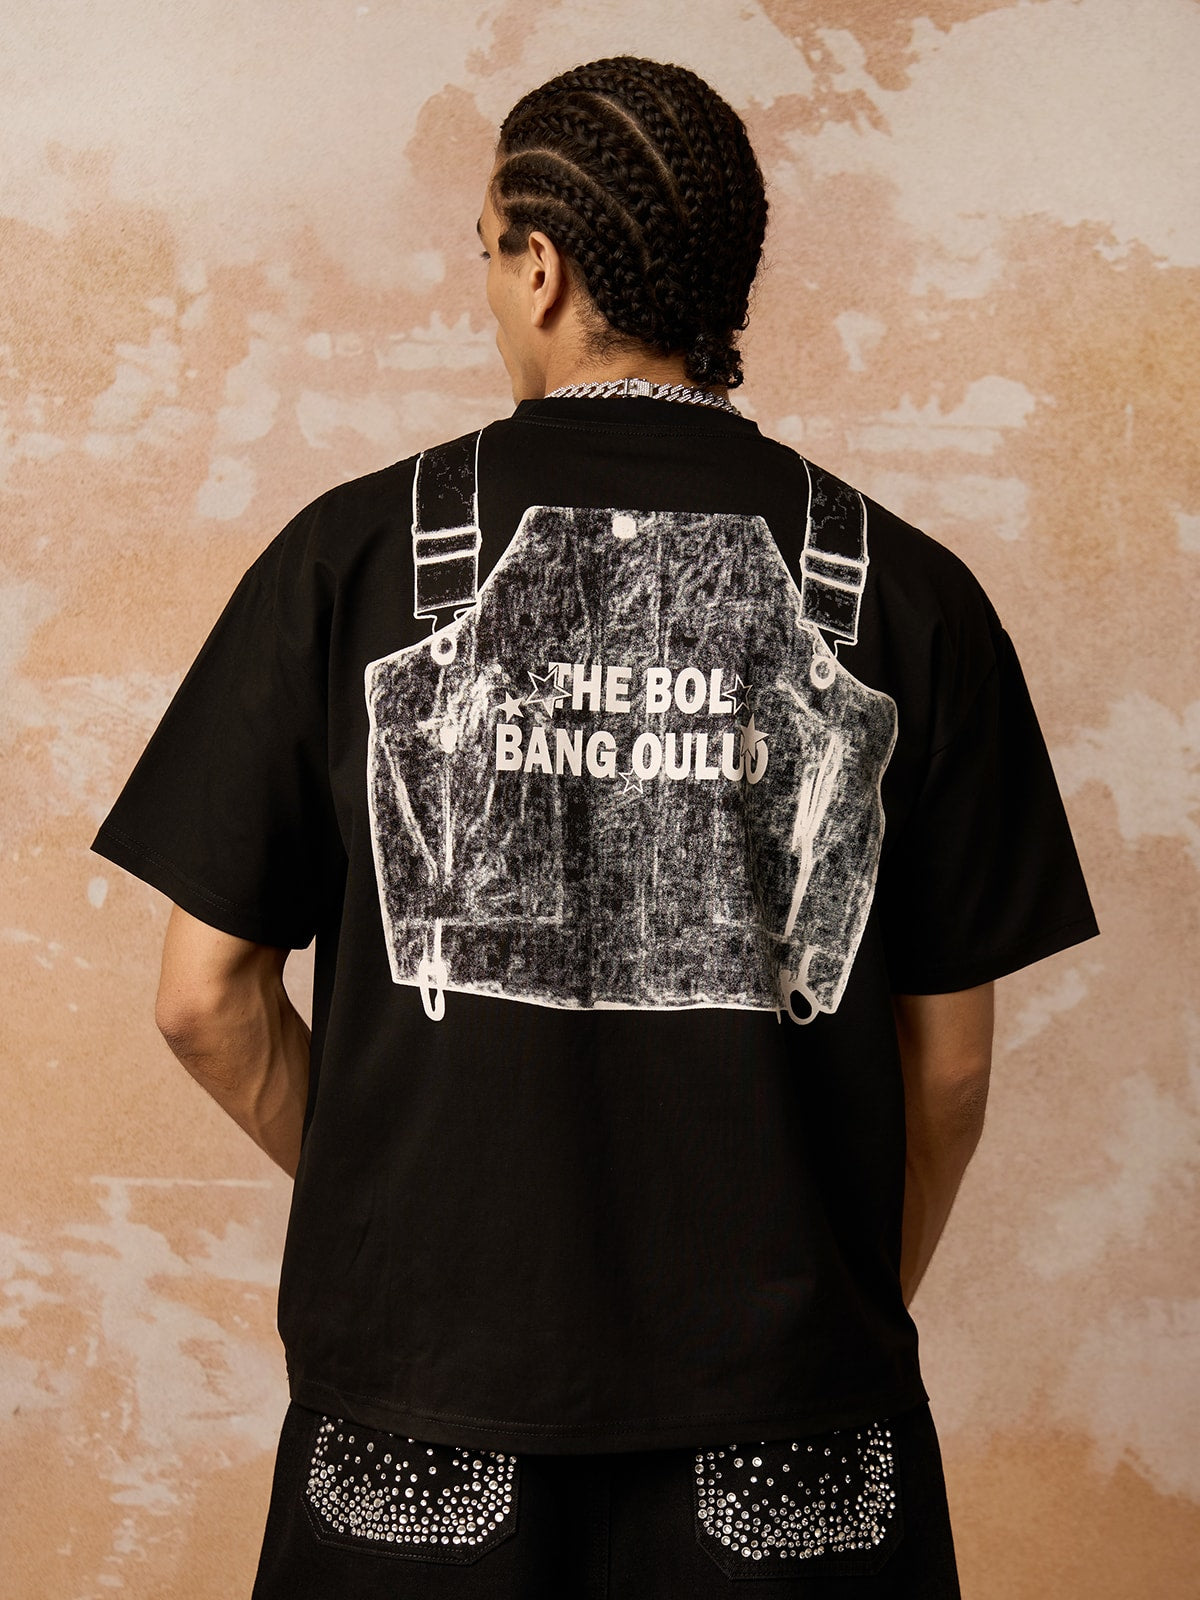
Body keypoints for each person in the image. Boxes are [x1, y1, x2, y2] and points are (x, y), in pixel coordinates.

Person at [91, 55, 1099, 1599]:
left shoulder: (353, 563)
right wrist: (829, 1302)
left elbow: (203, 1000)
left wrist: (394, 1218)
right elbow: (949, 1070)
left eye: (486, 253)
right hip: (791, 1431)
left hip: (426, 1413)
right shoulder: (903, 594)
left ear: (542, 267)